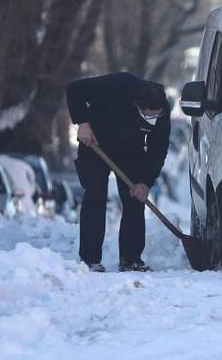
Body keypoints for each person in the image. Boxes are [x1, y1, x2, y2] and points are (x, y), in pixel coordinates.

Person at [66, 73, 170, 272]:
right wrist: (83, 123)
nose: (154, 119)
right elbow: (74, 89)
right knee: (95, 195)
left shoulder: (162, 108)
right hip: (96, 143)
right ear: (137, 105)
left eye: (157, 115)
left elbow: (158, 149)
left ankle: (131, 258)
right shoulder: (118, 85)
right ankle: (90, 259)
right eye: (149, 115)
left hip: (131, 152)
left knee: (135, 201)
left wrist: (145, 182)